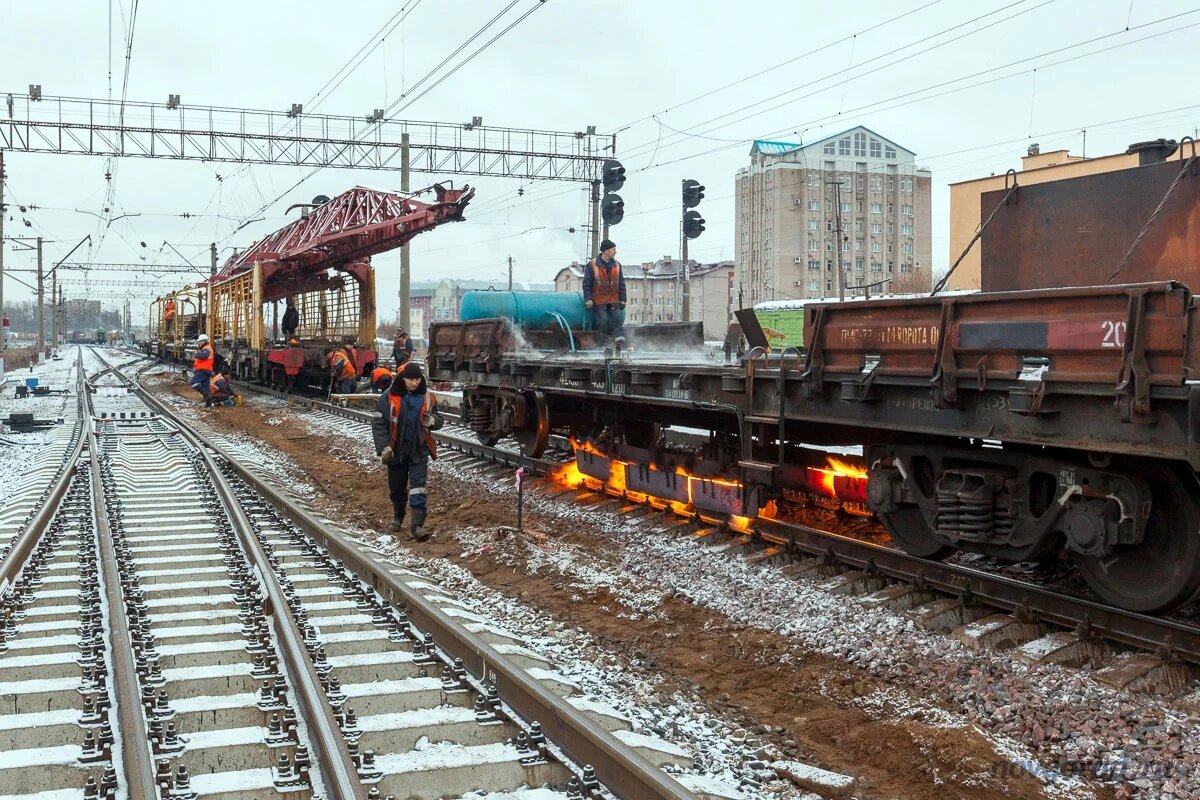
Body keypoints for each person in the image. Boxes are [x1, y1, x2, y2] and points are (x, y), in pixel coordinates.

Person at [372, 362, 444, 540]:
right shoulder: (389, 397)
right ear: (403, 379)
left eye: (417, 379)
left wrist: (433, 421)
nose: (415, 383)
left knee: (418, 487)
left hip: (418, 449)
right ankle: (398, 517)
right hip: (396, 450)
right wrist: (384, 447)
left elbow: (439, 420)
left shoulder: (427, 397)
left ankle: (417, 526)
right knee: (396, 487)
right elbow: (379, 423)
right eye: (411, 379)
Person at [582, 239, 626, 340]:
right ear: (606, 251)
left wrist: (623, 299)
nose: (615, 252)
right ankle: (603, 342)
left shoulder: (617, 264)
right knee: (602, 321)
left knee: (617, 319)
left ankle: (618, 340)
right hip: (600, 299)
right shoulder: (592, 265)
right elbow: (587, 283)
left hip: (614, 299)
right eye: (613, 249)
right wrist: (588, 299)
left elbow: (621, 283)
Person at [191, 334, 215, 403]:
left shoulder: (207, 348)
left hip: (203, 369)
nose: (198, 343)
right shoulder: (207, 347)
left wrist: (197, 354)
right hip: (206, 369)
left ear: (203, 341)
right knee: (206, 386)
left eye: (199, 342)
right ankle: (208, 402)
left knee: (193, 382)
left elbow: (204, 356)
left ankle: (206, 395)